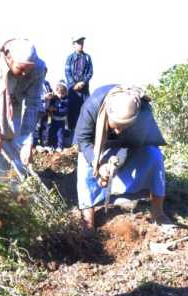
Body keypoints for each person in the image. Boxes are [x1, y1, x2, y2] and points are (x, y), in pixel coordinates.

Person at [74, 84, 173, 230]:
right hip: (97, 143)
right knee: (84, 163)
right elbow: (84, 141)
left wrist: (116, 162)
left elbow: (134, 145)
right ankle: (87, 218)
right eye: (115, 126)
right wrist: (99, 165)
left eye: (123, 127)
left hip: (130, 145)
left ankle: (158, 213)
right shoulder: (92, 106)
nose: (118, 131)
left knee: (154, 156)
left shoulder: (143, 111)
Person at [0, 38, 46, 181]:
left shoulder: (38, 68)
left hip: (14, 102)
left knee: (13, 140)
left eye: (28, 70)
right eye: (21, 69)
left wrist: (27, 142)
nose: (25, 74)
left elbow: (32, 106)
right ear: (9, 58)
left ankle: (8, 180)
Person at [65, 35, 93, 135]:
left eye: (82, 43)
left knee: (86, 111)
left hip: (84, 90)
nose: (81, 45)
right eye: (79, 43)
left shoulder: (87, 57)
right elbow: (67, 72)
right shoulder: (70, 58)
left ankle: (84, 136)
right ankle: (72, 138)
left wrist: (83, 82)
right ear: (74, 45)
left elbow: (90, 72)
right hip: (73, 90)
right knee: (72, 113)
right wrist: (74, 85)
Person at [46, 80, 69, 152]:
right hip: (53, 119)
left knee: (60, 134)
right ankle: (51, 145)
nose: (61, 95)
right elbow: (49, 106)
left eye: (63, 94)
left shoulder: (66, 100)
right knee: (52, 132)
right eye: (59, 93)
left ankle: (59, 146)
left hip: (61, 120)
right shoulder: (54, 98)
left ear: (65, 93)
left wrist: (56, 110)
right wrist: (50, 109)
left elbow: (64, 111)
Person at [35, 71, 53, 150]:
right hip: (38, 108)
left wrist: (51, 95)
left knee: (44, 126)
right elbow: (34, 96)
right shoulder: (35, 83)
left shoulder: (47, 83)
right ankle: (35, 143)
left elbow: (50, 91)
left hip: (46, 109)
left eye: (45, 72)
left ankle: (43, 143)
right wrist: (44, 97)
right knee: (36, 126)